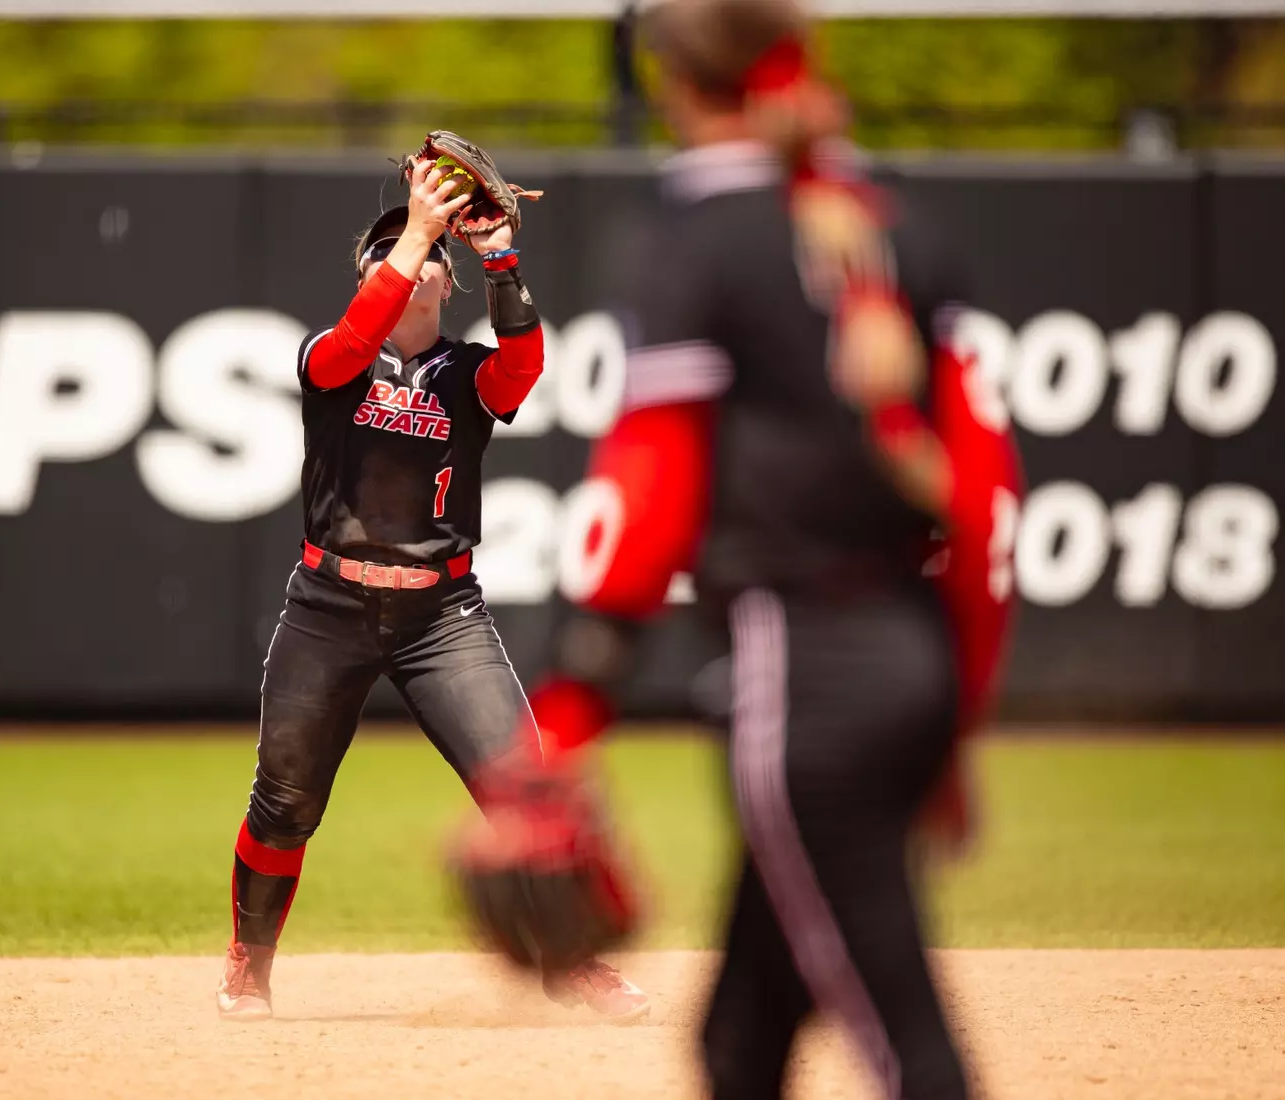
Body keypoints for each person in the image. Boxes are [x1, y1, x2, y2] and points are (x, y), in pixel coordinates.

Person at [506, 0, 1023, 1096]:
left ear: (670, 80)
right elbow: (987, 500)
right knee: (739, 1040)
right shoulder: (898, 229)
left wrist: (565, 716)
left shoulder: (697, 239)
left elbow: (648, 493)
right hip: (908, 653)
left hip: (803, 676)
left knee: (909, 1047)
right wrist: (957, 713)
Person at [215, 160, 649, 1023]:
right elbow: (352, 335)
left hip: (441, 615)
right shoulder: (330, 357)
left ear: (445, 283)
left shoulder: (467, 375)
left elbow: (522, 369)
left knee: (522, 790)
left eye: (421, 258)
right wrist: (415, 231)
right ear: (375, 276)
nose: (409, 268)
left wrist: (498, 257)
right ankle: (247, 965)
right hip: (329, 606)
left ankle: (575, 961)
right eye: (389, 258)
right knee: (286, 798)